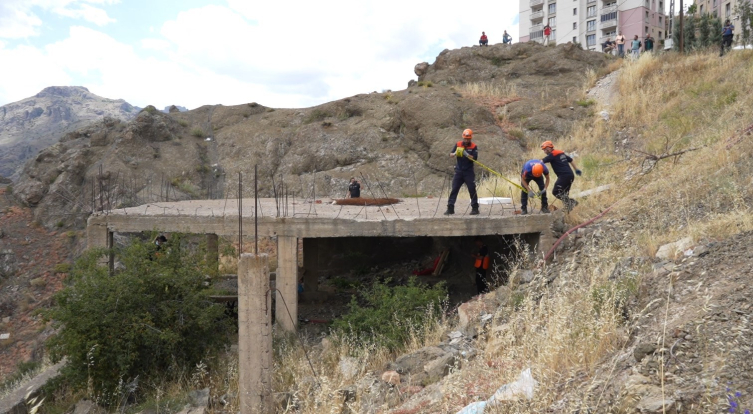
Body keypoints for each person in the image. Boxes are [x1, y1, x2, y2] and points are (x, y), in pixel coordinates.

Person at [445, 129, 480, 215]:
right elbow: (450, 154)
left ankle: (475, 208)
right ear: (463, 137)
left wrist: (466, 154)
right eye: (465, 138)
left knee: (472, 189)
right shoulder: (458, 144)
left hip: (469, 172)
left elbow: (474, 158)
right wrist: (455, 153)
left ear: (471, 138)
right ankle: (450, 208)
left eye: (468, 139)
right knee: (454, 189)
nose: (466, 140)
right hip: (459, 171)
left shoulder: (474, 146)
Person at [540, 141, 581, 212]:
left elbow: (541, 162)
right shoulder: (561, 153)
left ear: (548, 148)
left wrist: (532, 164)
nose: (544, 151)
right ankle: (568, 209)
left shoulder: (552, 155)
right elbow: (571, 160)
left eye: (544, 149)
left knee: (556, 192)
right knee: (564, 194)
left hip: (564, 176)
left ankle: (572, 202)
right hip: (570, 175)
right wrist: (576, 169)